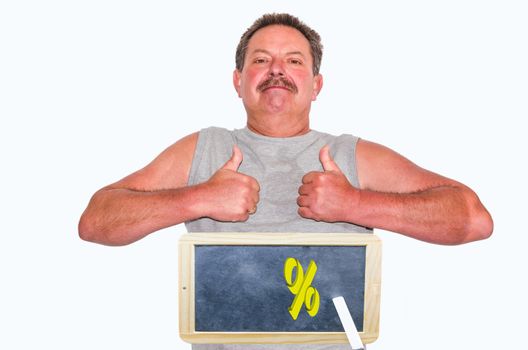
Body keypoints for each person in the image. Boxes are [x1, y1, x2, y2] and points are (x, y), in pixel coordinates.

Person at [79, 13, 493, 349]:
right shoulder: (203, 149)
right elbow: (96, 221)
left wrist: (355, 206)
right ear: (238, 81)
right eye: (260, 60)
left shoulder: (351, 156)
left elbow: (472, 218)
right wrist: (198, 198)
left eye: (294, 60)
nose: (277, 70)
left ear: (316, 86)